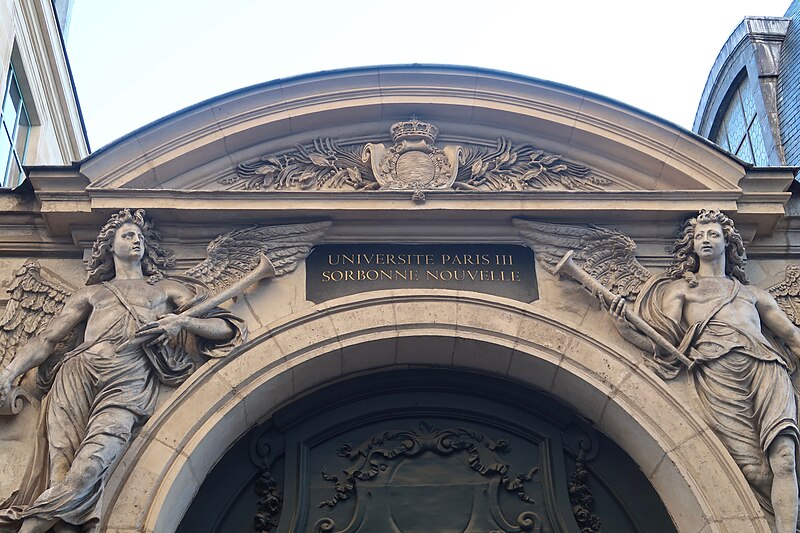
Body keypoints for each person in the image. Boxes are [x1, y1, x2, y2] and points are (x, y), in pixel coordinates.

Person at [0, 209, 245, 533]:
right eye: (128, 235)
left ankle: (28, 526)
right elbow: (47, 339)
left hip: (129, 377)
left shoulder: (166, 289)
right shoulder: (92, 293)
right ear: (109, 245)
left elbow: (224, 328)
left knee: (91, 464)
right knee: (60, 472)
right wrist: (9, 373)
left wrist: (184, 322)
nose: (136, 241)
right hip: (76, 376)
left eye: (140, 237)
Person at [609, 209, 800, 532]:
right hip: (717, 375)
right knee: (754, 472)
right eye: (699, 236)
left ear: (728, 242)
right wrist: (625, 330)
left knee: (784, 458)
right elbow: (665, 343)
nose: (706, 240)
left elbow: (793, 337)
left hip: (767, 370)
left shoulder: (753, 295)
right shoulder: (681, 291)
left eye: (713, 234)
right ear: (692, 246)